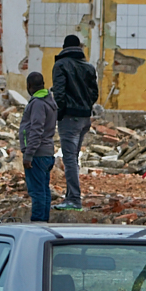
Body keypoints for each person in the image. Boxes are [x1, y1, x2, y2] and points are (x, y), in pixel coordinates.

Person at [51, 34, 98, 211]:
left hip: (70, 118)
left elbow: (59, 93)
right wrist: (85, 107)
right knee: (73, 158)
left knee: (69, 159)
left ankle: (74, 200)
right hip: (85, 118)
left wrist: (60, 113)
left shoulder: (60, 65)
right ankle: (71, 196)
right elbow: (94, 93)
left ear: (64, 47)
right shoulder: (88, 67)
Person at [20, 71, 57, 222]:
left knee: (37, 192)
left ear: (29, 86)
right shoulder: (48, 101)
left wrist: (28, 154)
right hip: (46, 153)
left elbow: (36, 130)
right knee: (44, 191)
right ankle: (44, 222)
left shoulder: (38, 104)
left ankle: (38, 224)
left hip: (38, 155)